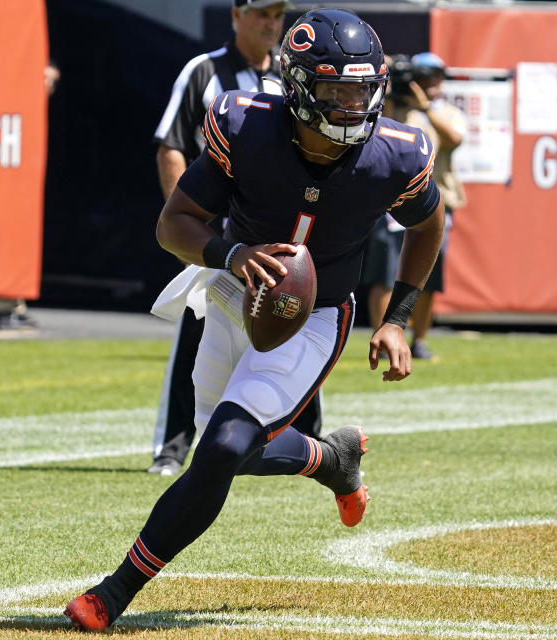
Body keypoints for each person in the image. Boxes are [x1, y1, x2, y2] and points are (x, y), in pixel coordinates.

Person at [64, 9, 443, 631]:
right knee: (230, 451)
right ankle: (330, 460)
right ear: (298, 89)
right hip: (233, 294)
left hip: (318, 315)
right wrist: (232, 253)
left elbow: (429, 223)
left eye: (362, 89)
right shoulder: (247, 127)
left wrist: (397, 315)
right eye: (336, 90)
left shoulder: (394, 157)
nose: (353, 104)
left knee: (222, 449)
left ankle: (114, 592)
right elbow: (174, 224)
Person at [148, 0, 323, 477]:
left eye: (277, 15)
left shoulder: (295, 73)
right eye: (261, 14)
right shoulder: (204, 72)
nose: (271, 24)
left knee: (297, 323)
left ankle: (308, 442)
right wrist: (188, 225)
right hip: (220, 233)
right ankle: (172, 447)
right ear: (236, 15)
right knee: (195, 335)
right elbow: (172, 143)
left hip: (279, 231)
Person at [363, 52, 465, 361]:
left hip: (435, 202)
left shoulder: (444, 111)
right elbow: (374, 130)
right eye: (423, 76)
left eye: (435, 76)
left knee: (428, 274)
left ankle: (418, 339)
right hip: (390, 201)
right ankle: (383, 335)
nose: (430, 82)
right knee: (385, 272)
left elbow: (454, 138)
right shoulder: (391, 105)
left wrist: (424, 106)